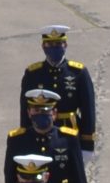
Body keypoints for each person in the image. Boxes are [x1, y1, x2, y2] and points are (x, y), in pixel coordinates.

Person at [5, 91, 91, 183]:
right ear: (29, 113)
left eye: (46, 110)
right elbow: (10, 176)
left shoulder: (67, 139)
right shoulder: (17, 140)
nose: (41, 114)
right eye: (36, 110)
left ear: (54, 113)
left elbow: (77, 177)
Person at [20, 27, 98, 159]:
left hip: (71, 131)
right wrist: (25, 139)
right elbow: (25, 110)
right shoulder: (33, 74)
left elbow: (88, 110)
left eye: (58, 44)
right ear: (43, 46)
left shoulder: (78, 72)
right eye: (49, 44)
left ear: (65, 45)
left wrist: (87, 144)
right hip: (40, 132)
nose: (54, 48)